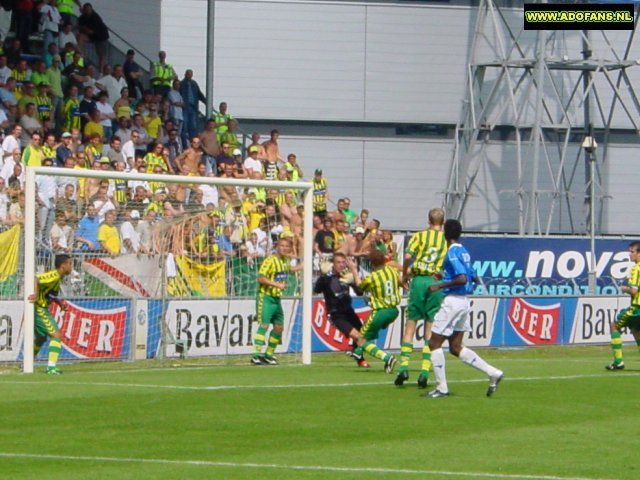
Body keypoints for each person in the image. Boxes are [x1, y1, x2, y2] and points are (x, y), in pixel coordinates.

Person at [424, 219, 504, 398]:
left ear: (445, 234)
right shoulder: (464, 251)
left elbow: (462, 278)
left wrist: (439, 285)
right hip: (464, 301)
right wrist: (445, 275)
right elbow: (473, 277)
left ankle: (441, 388)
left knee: (434, 343)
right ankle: (493, 372)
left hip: (452, 301)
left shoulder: (452, 252)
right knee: (455, 346)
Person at [395, 208, 447, 388]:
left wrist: (404, 275)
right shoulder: (446, 240)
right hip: (434, 283)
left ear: (428, 220)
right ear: (443, 222)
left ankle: (403, 368)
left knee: (410, 326)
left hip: (418, 281)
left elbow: (408, 256)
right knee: (429, 328)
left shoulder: (419, 236)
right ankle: (424, 372)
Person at [251, 237, 302, 365]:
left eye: (287, 246)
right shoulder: (270, 260)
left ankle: (269, 354)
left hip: (276, 299)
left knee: (279, 327)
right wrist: (276, 285)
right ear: (277, 247)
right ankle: (256, 355)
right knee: (264, 325)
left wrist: (302, 266)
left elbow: (288, 270)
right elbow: (261, 278)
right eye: (282, 246)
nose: (284, 248)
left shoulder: (285, 260)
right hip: (266, 297)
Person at [351, 250, 400, 372]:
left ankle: (387, 358)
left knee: (361, 340)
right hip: (394, 311)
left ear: (372, 263)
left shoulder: (373, 277)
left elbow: (360, 286)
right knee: (368, 330)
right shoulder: (392, 271)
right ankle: (357, 352)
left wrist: (353, 270)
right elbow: (400, 280)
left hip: (381, 311)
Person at [27, 254, 74, 375]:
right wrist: (36, 295)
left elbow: (49, 294)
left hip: (41, 308)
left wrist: (59, 303)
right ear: (63, 266)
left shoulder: (57, 278)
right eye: (70, 263)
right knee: (56, 335)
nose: (71, 266)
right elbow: (36, 279)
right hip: (39, 309)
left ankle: (27, 362)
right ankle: (51, 368)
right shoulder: (54, 275)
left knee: (41, 338)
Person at [606, 240, 640, 370]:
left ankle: (618, 361)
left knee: (614, 326)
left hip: (637, 309)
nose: (629, 254)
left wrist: (625, 288)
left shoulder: (636, 269)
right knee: (636, 331)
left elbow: (634, 291)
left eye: (632, 252)